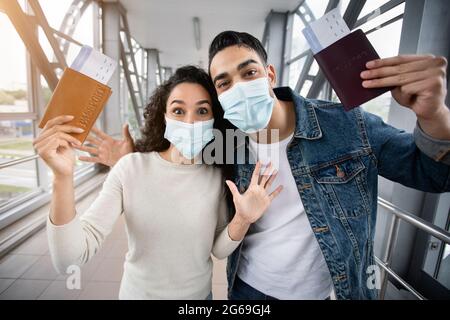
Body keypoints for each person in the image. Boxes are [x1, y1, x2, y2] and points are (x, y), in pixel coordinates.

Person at [78, 31, 450, 300]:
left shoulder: (347, 126)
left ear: (270, 74)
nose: (237, 87)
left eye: (248, 73)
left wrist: (435, 116)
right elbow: (174, 153)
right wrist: (130, 158)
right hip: (249, 293)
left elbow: (434, 173)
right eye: (223, 83)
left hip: (334, 291)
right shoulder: (224, 143)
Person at [33, 66, 282, 299]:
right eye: (178, 110)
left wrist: (242, 220)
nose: (190, 121)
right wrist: (62, 178)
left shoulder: (216, 176)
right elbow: (69, 258)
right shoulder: (129, 168)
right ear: (164, 116)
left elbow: (218, 249)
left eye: (202, 111)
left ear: (214, 119)